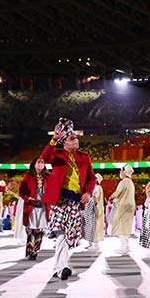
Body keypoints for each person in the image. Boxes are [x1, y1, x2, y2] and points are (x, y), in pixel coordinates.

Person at [42, 118, 96, 280]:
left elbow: (92, 178)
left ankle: (57, 267)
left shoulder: (84, 157)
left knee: (69, 234)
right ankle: (63, 267)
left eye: (76, 137)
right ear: (65, 142)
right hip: (59, 200)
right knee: (62, 232)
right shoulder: (57, 154)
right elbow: (44, 158)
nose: (76, 139)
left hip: (75, 201)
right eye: (72, 138)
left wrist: (88, 192)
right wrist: (54, 139)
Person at [19, 156, 51, 260]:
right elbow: (21, 192)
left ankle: (36, 250)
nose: (40, 163)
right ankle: (30, 251)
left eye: (42, 162)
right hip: (31, 206)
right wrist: (29, 199)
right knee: (31, 229)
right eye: (38, 161)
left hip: (44, 206)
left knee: (41, 229)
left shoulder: (48, 177)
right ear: (34, 164)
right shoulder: (28, 177)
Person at [108, 165, 136, 256]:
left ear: (124, 172)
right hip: (129, 207)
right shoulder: (131, 183)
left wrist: (110, 198)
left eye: (121, 171)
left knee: (121, 226)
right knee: (125, 226)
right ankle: (126, 245)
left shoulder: (123, 182)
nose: (120, 173)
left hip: (123, 206)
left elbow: (117, 193)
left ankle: (124, 246)